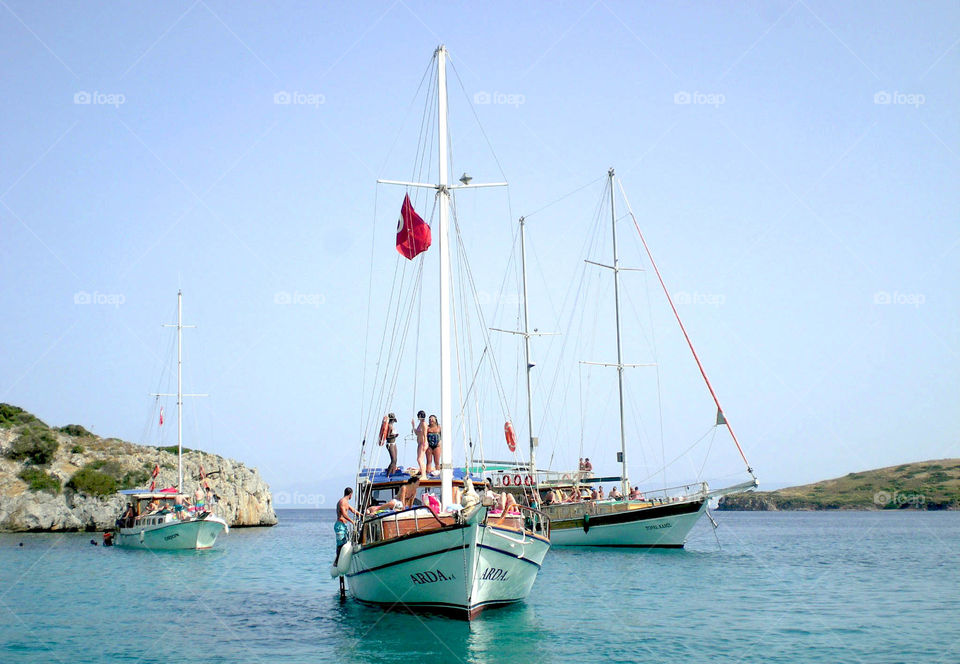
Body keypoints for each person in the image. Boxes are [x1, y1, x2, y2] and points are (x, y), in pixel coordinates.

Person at [335, 487, 361, 565]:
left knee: (344, 542)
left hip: (343, 525)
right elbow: (344, 514)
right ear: (350, 494)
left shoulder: (346, 502)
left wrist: (361, 515)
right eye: (351, 495)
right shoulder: (342, 502)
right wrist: (352, 521)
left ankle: (341, 560)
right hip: (339, 525)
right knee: (340, 544)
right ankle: (337, 561)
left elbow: (353, 510)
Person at [412, 410, 427, 476]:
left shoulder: (423, 424)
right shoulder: (420, 424)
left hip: (423, 443)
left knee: (420, 459)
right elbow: (416, 433)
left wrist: (424, 444)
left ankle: (424, 474)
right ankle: (421, 472)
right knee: (419, 459)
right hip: (419, 443)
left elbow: (425, 434)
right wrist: (413, 426)